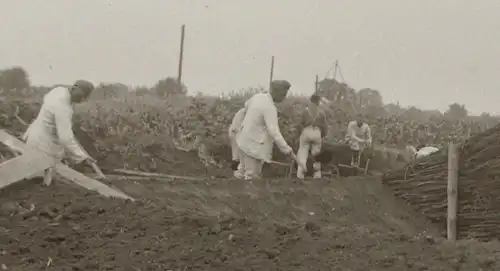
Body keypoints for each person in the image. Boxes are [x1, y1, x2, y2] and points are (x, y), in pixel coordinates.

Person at [23, 80, 97, 182]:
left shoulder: (58, 90)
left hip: (37, 135)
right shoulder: (63, 108)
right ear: (75, 90)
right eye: (82, 96)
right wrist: (82, 157)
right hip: (43, 144)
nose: (82, 99)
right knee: (36, 180)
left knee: (37, 177)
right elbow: (65, 138)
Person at [236, 80, 296, 179]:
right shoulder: (270, 108)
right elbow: (274, 133)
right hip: (253, 148)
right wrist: (287, 150)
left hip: (243, 141)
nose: (284, 98)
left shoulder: (258, 97)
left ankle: (234, 193)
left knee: (241, 173)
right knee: (252, 176)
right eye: (283, 95)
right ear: (277, 93)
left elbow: (246, 107)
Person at [296, 94, 327, 179]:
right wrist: (321, 135)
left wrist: (300, 134)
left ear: (310, 101)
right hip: (317, 132)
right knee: (316, 155)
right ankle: (317, 175)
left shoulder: (305, 111)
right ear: (318, 102)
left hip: (306, 130)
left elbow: (299, 124)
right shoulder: (321, 113)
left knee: (302, 152)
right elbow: (325, 128)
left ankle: (300, 174)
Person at [228, 107, 246, 178]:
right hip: (236, 133)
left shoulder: (245, 111)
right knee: (238, 156)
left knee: (236, 156)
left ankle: (237, 175)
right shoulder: (243, 112)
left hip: (236, 132)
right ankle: (237, 175)